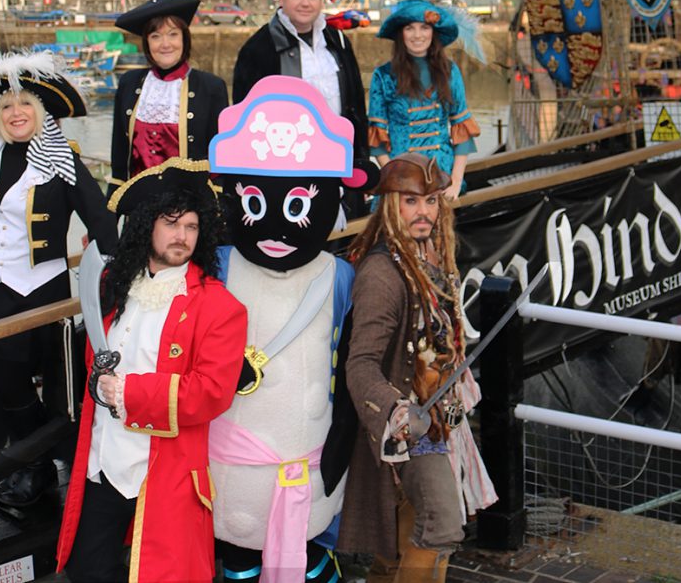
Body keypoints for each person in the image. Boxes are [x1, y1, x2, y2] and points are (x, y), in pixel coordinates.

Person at [207, 75, 379, 583]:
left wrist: (339, 450)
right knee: (238, 554)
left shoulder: (339, 277)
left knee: (306, 551)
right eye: (257, 203)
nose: (278, 225)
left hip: (306, 461)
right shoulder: (217, 267)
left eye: (300, 205)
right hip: (231, 465)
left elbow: (349, 368)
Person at [56, 158, 247, 583]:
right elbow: (98, 358)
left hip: (164, 475)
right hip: (102, 463)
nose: (181, 236)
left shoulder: (220, 307)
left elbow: (211, 392)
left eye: (192, 227)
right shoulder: (114, 286)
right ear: (148, 227)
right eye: (171, 223)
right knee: (86, 571)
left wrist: (127, 394)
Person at [0, 50, 117, 507]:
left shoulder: (60, 159)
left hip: (37, 293)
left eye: (24, 105)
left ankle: (38, 462)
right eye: (5, 106)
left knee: (18, 381)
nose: (15, 113)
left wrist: (119, 263)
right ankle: (34, 463)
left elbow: (98, 217)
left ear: (40, 111)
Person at [338, 153, 496, 582]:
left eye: (430, 201)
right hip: (409, 423)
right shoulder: (382, 273)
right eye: (410, 201)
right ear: (390, 205)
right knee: (443, 525)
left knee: (405, 533)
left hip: (441, 416)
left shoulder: (431, 253)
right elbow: (361, 364)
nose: (423, 212)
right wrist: (397, 411)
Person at [231, 0, 368, 186]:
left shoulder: (338, 41)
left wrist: (361, 161)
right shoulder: (258, 48)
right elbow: (245, 123)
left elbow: (356, 106)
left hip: (340, 168)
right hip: (283, 174)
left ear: (321, 0)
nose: (306, 3)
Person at [109, 0, 229, 198]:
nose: (165, 44)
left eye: (173, 34)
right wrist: (106, 222)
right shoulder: (129, 83)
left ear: (184, 38)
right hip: (138, 211)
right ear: (147, 43)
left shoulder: (211, 87)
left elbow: (220, 161)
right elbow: (119, 159)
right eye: (155, 36)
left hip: (189, 212)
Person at [368, 0, 482, 201]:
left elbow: (461, 128)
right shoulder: (383, 75)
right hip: (400, 178)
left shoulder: (450, 71)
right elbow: (376, 140)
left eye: (424, 27)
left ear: (433, 32)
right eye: (410, 28)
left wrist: (455, 182)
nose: (417, 35)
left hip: (442, 177)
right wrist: (394, 178)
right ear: (400, 34)